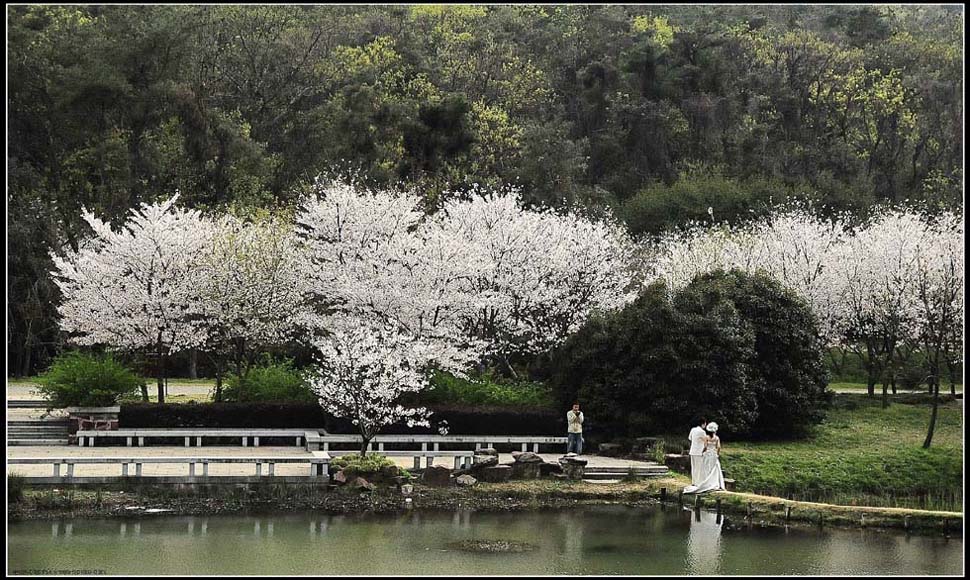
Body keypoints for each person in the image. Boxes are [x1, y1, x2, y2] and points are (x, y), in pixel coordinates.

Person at [683, 422, 725, 494]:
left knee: (706, 468)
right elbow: (718, 447)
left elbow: (705, 447)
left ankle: (705, 482)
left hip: (707, 454)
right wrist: (717, 454)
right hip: (714, 454)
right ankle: (715, 482)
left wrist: (703, 452)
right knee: (714, 468)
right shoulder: (717, 438)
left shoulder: (706, 437)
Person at [687, 416, 708, 485]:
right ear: (703, 424)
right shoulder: (702, 432)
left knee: (693, 467)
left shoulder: (693, 429)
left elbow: (690, 438)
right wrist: (704, 450)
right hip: (699, 452)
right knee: (699, 468)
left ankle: (694, 482)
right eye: (705, 424)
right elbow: (705, 444)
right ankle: (698, 483)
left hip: (692, 451)